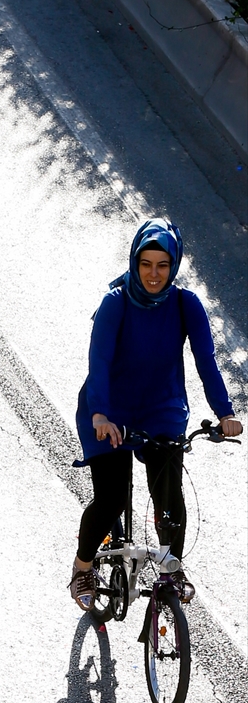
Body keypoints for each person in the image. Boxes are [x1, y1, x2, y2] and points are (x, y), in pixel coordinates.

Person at [69, 219, 241, 610]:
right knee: (111, 498)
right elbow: (99, 363)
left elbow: (207, 362)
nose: (153, 274)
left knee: (168, 496)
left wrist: (224, 412)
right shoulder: (115, 302)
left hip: (161, 409)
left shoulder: (186, 305)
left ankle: (170, 569)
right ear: (134, 262)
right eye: (145, 264)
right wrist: (99, 414)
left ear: (175, 264)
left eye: (162, 265)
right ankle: (82, 566)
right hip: (109, 408)